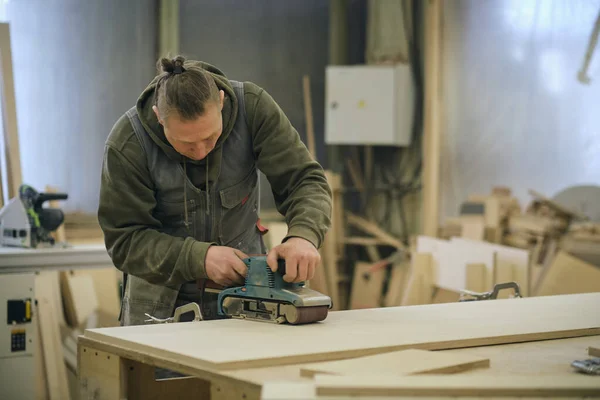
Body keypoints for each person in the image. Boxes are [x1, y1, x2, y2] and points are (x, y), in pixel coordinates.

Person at [98, 56, 332, 325]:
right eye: (186, 143)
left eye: (210, 137)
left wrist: (303, 236)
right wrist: (200, 257)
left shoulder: (252, 109)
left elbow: (305, 180)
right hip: (159, 310)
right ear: (158, 118)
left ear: (221, 102)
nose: (200, 152)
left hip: (248, 299)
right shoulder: (128, 144)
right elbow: (125, 241)